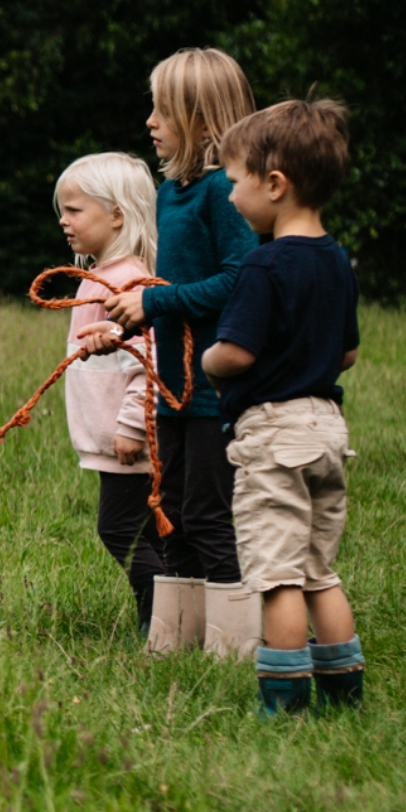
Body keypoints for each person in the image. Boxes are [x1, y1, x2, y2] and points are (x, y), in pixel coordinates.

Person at [95, 48, 261, 658]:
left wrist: (155, 307)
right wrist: (124, 328)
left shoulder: (225, 192)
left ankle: (234, 649)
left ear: (201, 118)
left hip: (215, 389)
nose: (150, 122)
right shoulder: (172, 193)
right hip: (173, 388)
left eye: (162, 110)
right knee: (175, 514)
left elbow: (240, 279)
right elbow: (168, 293)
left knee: (211, 515)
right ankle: (173, 644)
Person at [200, 99, 364, 715]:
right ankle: (345, 696)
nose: (231, 195)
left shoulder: (264, 264)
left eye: (235, 181)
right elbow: (346, 354)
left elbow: (237, 354)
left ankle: (285, 705)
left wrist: (209, 360)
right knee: (320, 569)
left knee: (278, 577)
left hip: (273, 432)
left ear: (275, 184)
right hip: (327, 429)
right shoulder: (336, 261)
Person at [52, 151, 170, 638]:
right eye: (62, 209)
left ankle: (159, 620)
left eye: (75, 210)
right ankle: (175, 615)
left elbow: (145, 362)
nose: (64, 220)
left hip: (130, 444)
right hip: (120, 444)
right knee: (142, 528)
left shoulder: (124, 281)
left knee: (119, 528)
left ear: (117, 215)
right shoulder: (100, 276)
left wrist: (130, 427)